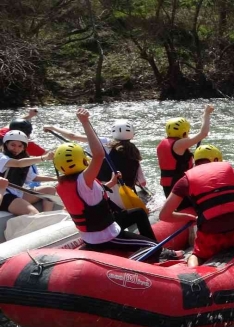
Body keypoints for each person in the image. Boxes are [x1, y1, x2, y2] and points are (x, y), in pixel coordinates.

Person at [54, 109, 177, 260]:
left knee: (138, 212)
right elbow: (99, 155)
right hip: (106, 236)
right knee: (153, 247)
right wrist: (85, 122)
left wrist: (111, 183)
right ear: (82, 160)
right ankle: (158, 255)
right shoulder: (84, 179)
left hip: (92, 233)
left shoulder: (61, 184)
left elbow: (88, 199)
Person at [159, 144, 234, 267]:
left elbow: (164, 215)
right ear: (216, 159)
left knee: (195, 255)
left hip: (212, 239)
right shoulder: (230, 171)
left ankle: (192, 273)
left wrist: (188, 217)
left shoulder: (185, 181)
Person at [44, 119, 147, 210]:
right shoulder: (135, 153)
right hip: (125, 199)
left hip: (103, 196)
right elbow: (142, 182)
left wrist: (53, 128)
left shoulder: (104, 142)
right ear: (132, 134)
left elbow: (72, 136)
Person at [157, 105, 214, 197]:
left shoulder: (163, 143)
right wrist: (206, 114)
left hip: (167, 184)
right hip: (179, 184)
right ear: (184, 131)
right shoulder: (179, 145)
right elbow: (203, 133)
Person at [0, 130, 56, 215]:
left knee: (50, 190)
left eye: (20, 146)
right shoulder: (2, 157)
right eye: (13, 145)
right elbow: (18, 163)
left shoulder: (25, 160)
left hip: (17, 192)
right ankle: (40, 220)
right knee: (33, 213)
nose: (16, 149)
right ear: (6, 144)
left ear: (23, 148)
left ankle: (47, 215)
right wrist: (44, 157)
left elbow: (33, 178)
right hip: (4, 195)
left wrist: (55, 179)